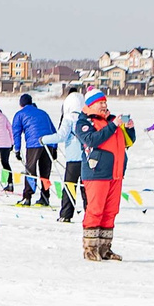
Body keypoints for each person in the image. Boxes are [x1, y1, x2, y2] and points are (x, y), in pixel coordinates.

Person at [77, 91, 131, 260]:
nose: (104, 105)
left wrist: (130, 129)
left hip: (115, 172)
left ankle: (104, 249)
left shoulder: (111, 120)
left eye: (105, 102)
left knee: (111, 211)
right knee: (95, 210)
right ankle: (90, 249)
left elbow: (127, 142)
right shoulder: (84, 122)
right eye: (100, 102)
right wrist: (113, 126)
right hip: (97, 172)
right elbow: (92, 140)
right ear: (91, 105)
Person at [11, 93, 56, 205]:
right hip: (49, 143)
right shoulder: (43, 113)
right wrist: (54, 148)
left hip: (34, 144)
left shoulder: (20, 114)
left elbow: (16, 133)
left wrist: (17, 149)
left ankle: (27, 197)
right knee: (45, 172)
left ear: (21, 104)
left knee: (30, 170)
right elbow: (53, 130)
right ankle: (45, 197)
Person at [54, 88, 91, 222]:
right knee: (86, 187)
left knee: (69, 185)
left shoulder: (68, 118)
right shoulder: (88, 119)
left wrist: (44, 139)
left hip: (73, 158)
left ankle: (66, 214)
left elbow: (61, 135)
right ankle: (90, 214)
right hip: (87, 158)